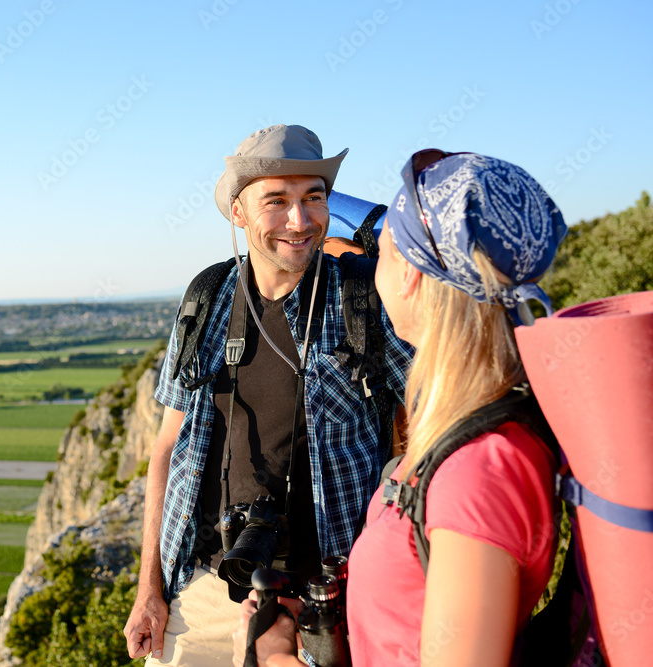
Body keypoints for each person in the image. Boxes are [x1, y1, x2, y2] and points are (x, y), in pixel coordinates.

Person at [232, 150, 567, 666]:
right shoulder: (458, 430)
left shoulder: (479, 472)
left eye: (380, 251)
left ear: (409, 277)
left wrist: (275, 658)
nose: (356, 261)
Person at [124, 124, 413, 666]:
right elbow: (167, 450)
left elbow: (444, 408)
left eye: (313, 198)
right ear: (239, 212)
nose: (300, 222)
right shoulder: (207, 299)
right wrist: (150, 590)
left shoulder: (362, 299)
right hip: (207, 586)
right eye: (276, 201)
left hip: (328, 600)